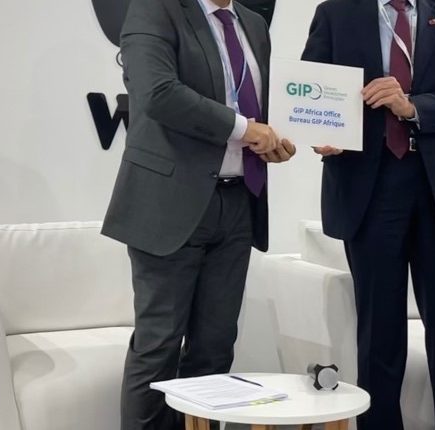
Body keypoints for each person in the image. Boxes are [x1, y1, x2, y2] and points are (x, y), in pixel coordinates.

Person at [101, 0, 295, 428]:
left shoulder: (253, 23)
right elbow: (157, 93)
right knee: (158, 347)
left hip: (239, 202)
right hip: (168, 204)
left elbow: (262, 107)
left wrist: (279, 140)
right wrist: (246, 129)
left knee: (215, 348)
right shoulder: (155, 9)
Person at [302, 0, 435, 429]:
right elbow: (307, 92)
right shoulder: (336, 13)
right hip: (368, 191)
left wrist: (413, 107)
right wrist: (319, 133)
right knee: (379, 338)